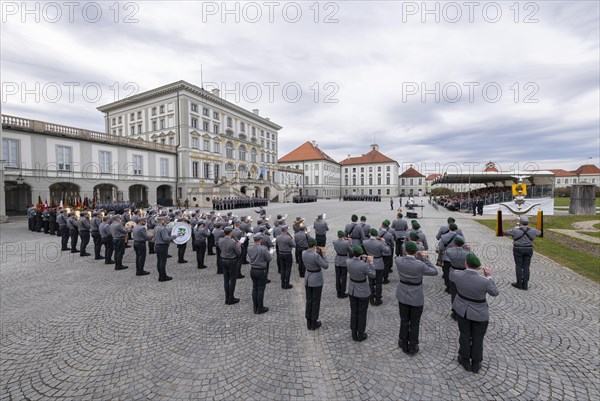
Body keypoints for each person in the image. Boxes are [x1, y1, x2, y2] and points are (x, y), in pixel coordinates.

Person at [450, 253, 499, 373]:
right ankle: (476, 363)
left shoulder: (457, 275)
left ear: (466, 264)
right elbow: (495, 292)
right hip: (479, 313)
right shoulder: (485, 281)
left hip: (463, 310)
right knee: (478, 338)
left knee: (465, 335)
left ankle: (464, 358)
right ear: (478, 267)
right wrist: (489, 277)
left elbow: (451, 273)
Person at [395, 241, 438, 355]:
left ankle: (403, 341)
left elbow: (401, 256)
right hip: (416, 294)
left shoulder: (398, 261)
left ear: (405, 251)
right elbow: (434, 271)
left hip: (403, 292)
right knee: (414, 322)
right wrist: (425, 259)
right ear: (416, 252)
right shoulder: (420, 265)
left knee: (404, 320)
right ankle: (413, 345)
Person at [346, 246, 376, 341]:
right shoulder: (364, 265)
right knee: (362, 313)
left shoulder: (348, 261)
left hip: (352, 289)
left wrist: (361, 260)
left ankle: (354, 332)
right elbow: (373, 274)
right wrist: (370, 263)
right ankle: (361, 333)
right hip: (362, 291)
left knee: (354, 312)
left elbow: (356, 264)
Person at [503, 216, 541, 290]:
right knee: (526, 266)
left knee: (519, 266)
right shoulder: (533, 230)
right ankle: (525, 284)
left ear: (520, 223)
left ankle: (519, 283)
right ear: (528, 223)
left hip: (518, 249)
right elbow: (539, 232)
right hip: (529, 249)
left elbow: (504, 232)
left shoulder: (515, 230)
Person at [303, 238, 329, 330]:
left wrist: (317, 252)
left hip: (308, 279)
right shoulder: (316, 256)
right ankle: (314, 322)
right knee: (315, 302)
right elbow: (326, 265)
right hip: (316, 280)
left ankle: (308, 322)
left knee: (309, 300)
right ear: (314, 246)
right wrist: (324, 254)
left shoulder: (304, 253)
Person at [362, 228, 391, 306]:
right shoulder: (379, 243)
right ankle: (378, 298)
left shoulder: (365, 242)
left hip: (369, 261)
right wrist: (384, 242)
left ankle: (371, 298)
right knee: (378, 282)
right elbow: (388, 251)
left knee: (371, 282)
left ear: (370, 234)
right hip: (379, 263)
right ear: (377, 235)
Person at [247, 233, 273, 314]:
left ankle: (255, 307)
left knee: (255, 288)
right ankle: (260, 308)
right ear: (260, 240)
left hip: (253, 269)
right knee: (261, 289)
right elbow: (269, 259)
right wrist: (270, 253)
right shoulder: (263, 248)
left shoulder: (249, 248)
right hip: (261, 270)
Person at [218, 226, 242, 304]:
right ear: (230, 232)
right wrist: (238, 245)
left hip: (223, 260)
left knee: (226, 279)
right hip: (232, 261)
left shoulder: (220, 240)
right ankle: (231, 298)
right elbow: (239, 253)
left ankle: (227, 297)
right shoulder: (233, 242)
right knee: (232, 280)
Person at [154, 216, 181, 282]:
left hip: (157, 245)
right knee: (163, 262)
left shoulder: (155, 227)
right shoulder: (163, 229)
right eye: (164, 220)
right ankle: (163, 277)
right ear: (161, 221)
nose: (165, 221)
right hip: (163, 246)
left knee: (159, 261)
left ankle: (160, 276)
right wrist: (175, 236)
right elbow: (166, 238)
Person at [437, 223, 460, 293]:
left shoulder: (443, 236)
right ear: (456, 229)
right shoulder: (459, 237)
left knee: (446, 272)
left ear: (449, 228)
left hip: (446, 257)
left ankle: (448, 287)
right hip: (456, 257)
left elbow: (440, 248)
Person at [333, 230, 353, 298]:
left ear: (337, 235)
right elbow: (351, 251)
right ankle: (342, 292)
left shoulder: (334, 242)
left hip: (337, 259)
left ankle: (338, 292)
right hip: (344, 260)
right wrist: (350, 243)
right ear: (344, 236)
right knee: (344, 277)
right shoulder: (346, 243)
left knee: (337, 277)